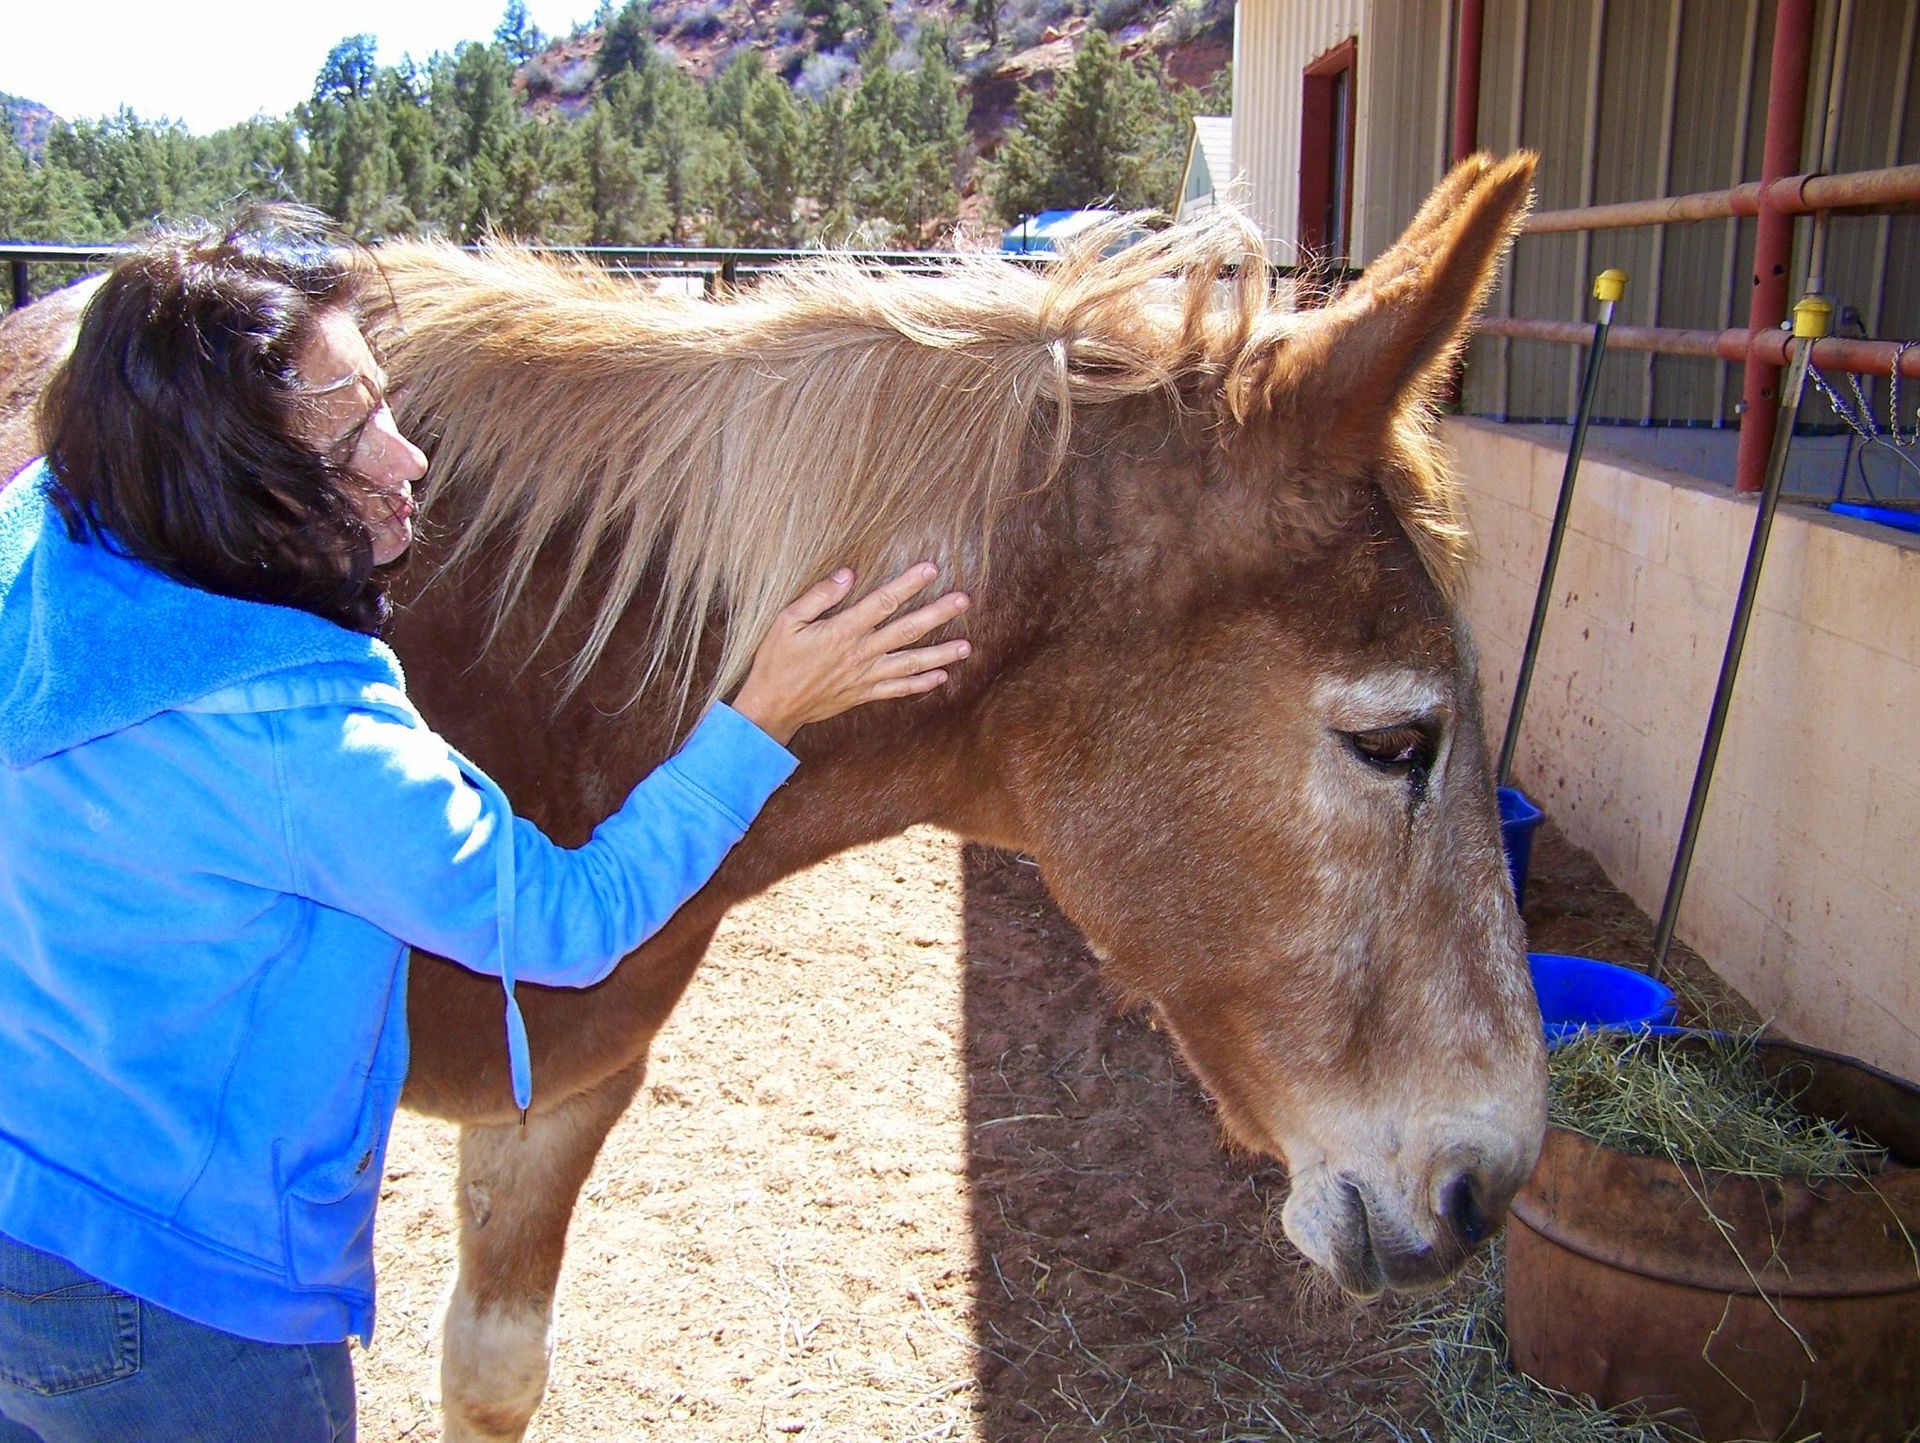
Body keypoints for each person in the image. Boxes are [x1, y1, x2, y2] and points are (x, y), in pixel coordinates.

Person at [0, 206, 973, 1443]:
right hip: (195, 1308)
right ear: (226, 477)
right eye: (349, 435)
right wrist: (763, 713)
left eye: (389, 404)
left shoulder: (41, 564)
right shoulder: (302, 738)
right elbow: (564, 926)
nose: (409, 460)